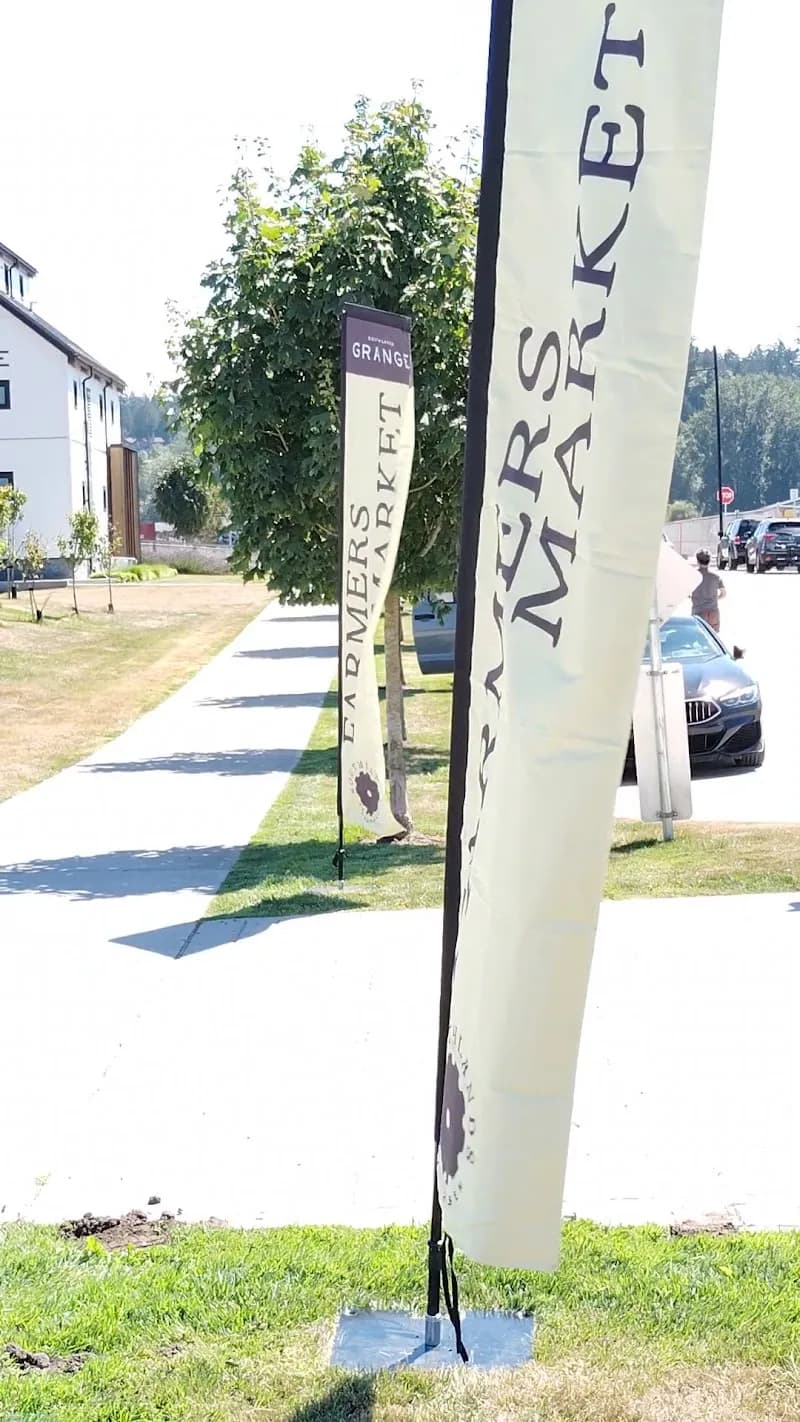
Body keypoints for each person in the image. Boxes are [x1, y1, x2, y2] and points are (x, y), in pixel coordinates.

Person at [691, 548, 725, 632]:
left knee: (698, 635)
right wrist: (715, 598)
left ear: (697, 561)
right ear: (709, 561)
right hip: (713, 612)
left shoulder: (693, 576)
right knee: (713, 636)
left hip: (698, 612)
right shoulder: (716, 577)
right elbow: (723, 593)